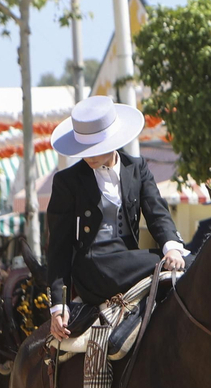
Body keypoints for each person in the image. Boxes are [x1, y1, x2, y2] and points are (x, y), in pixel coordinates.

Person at [44, 95, 186, 350]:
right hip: (94, 267)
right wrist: (58, 305)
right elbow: (58, 248)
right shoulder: (67, 181)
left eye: (95, 148)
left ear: (113, 140)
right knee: (175, 265)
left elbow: (157, 213)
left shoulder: (138, 167)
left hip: (130, 261)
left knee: (187, 263)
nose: (88, 157)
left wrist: (172, 247)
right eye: (83, 150)